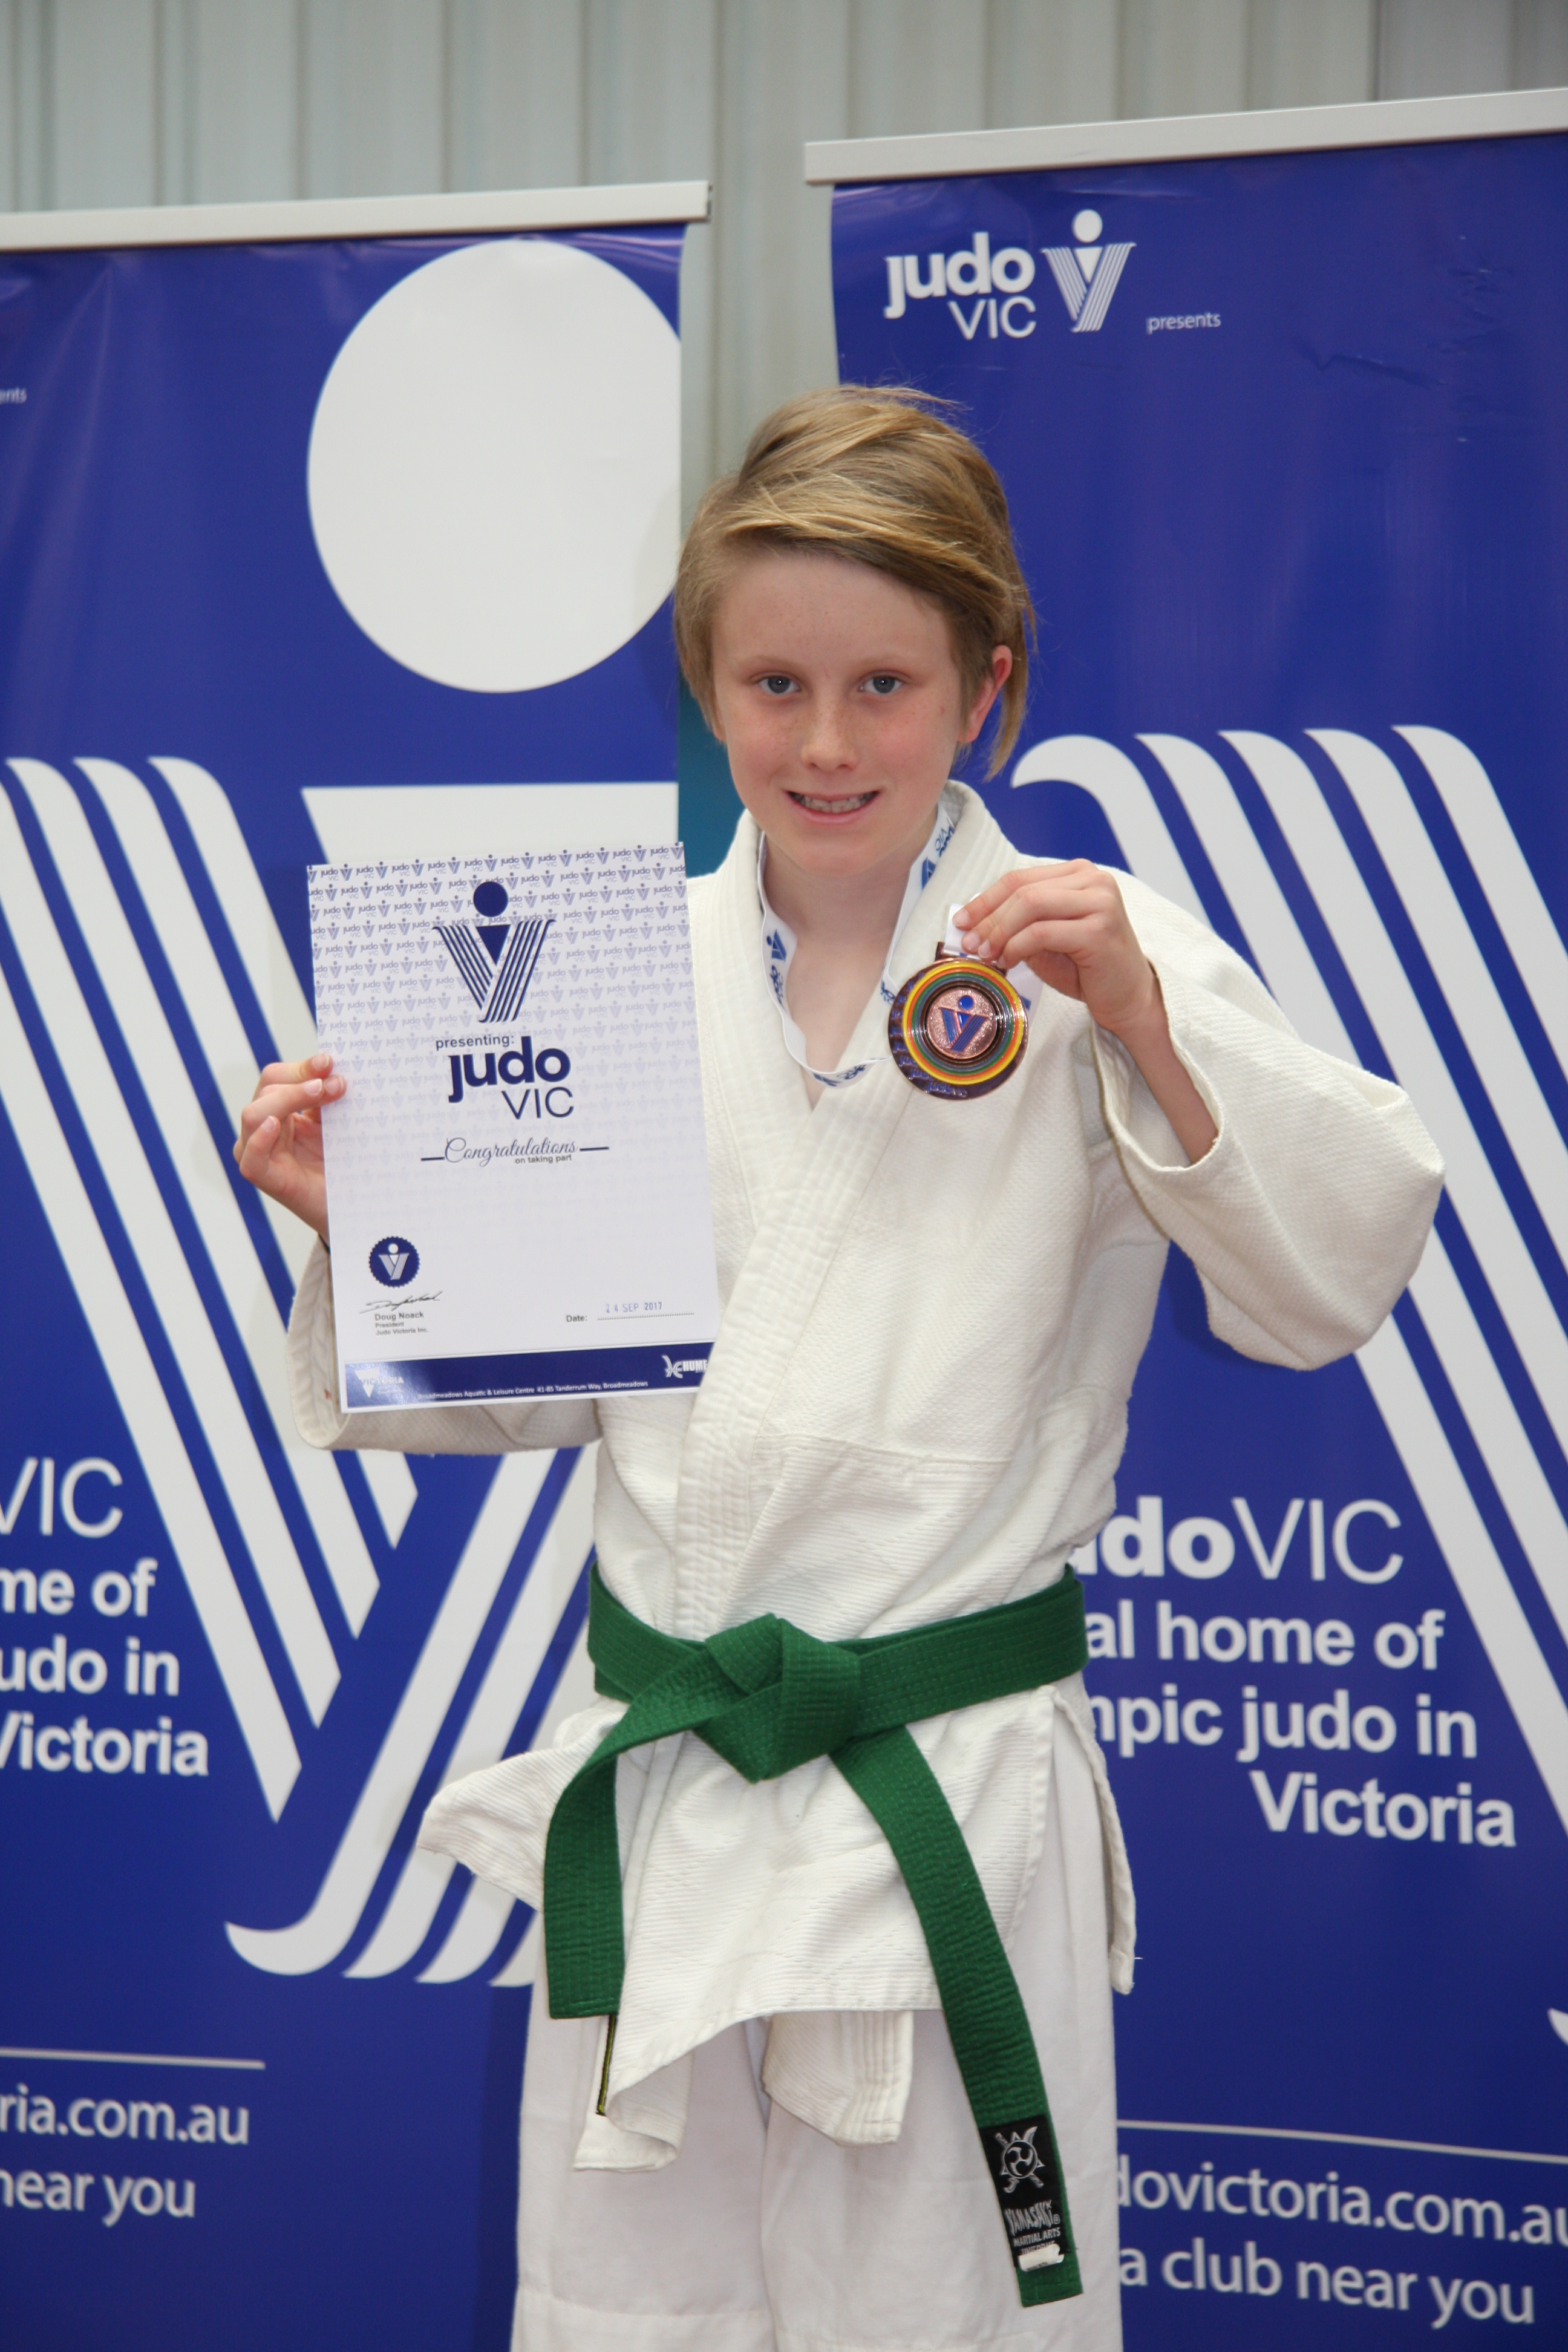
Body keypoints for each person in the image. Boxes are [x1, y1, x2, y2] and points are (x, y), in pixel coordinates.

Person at [237, 387, 1443, 2352]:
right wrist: (358, 1232)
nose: (823, 742)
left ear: (986, 690)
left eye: (884, 685)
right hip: (675, 1788)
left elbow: (1339, 1272)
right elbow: (538, 1392)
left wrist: (1152, 1026)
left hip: (940, 1800)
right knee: (643, 2316)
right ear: (705, 691)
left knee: (945, 2316)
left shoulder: (1094, 963)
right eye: (774, 684)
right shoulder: (614, 979)